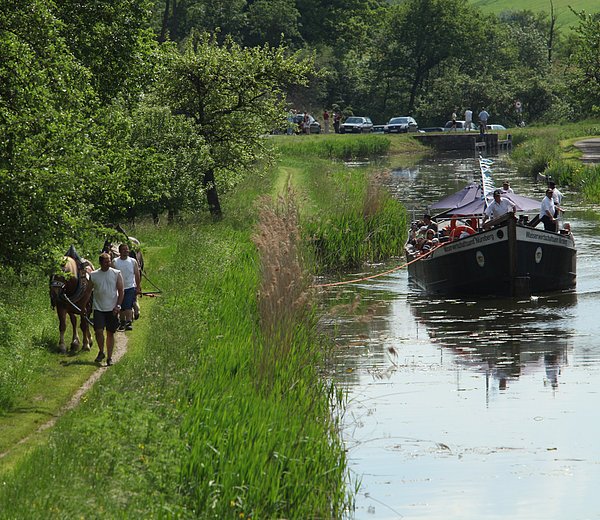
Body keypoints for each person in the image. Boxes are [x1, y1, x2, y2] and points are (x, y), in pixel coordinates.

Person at [90, 252, 124, 366]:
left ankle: (109, 358)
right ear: (100, 263)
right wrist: (84, 306)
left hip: (112, 308)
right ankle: (101, 351)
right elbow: (88, 291)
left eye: (109, 261)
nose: (108, 263)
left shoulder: (116, 273)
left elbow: (121, 291)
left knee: (110, 333)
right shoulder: (94, 275)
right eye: (106, 262)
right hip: (98, 308)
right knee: (98, 331)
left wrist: (118, 306)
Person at [112, 243, 141, 332]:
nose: (126, 251)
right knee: (120, 306)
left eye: (127, 249)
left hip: (130, 287)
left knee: (128, 305)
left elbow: (137, 274)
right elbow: (112, 274)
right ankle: (122, 322)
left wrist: (138, 286)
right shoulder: (115, 261)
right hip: (119, 287)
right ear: (120, 251)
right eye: (124, 249)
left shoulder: (133, 261)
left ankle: (128, 322)